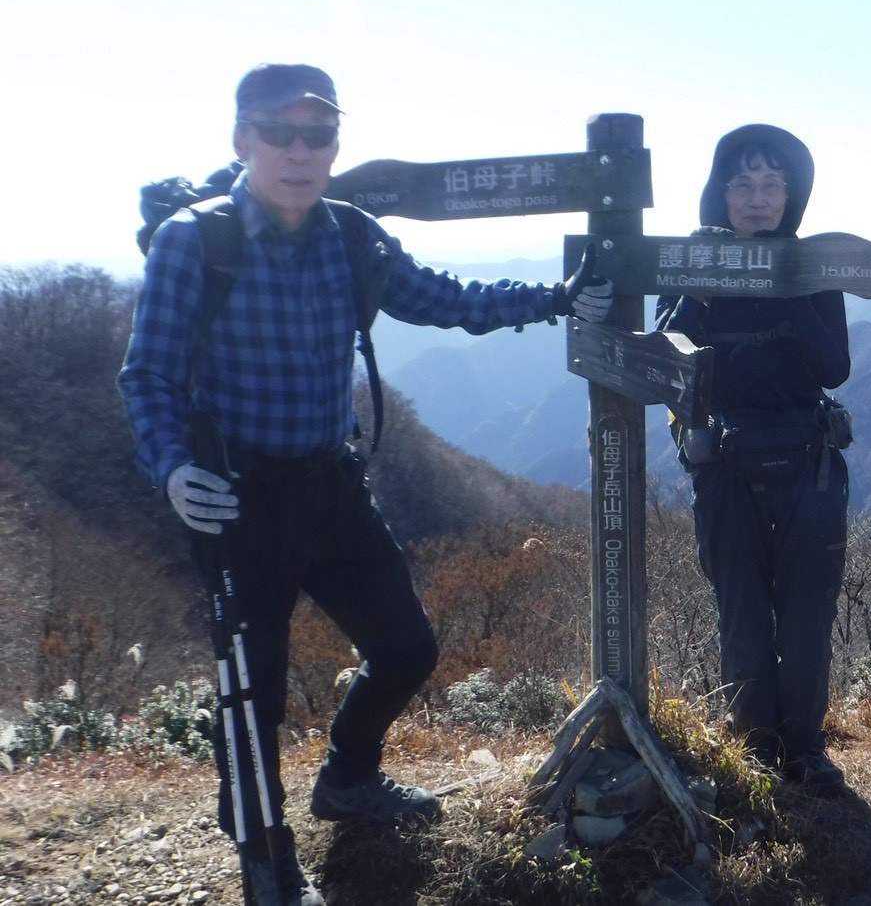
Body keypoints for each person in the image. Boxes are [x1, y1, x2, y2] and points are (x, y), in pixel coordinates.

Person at [118, 63, 612, 906]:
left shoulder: (351, 234)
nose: (300, 149)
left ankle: (347, 777)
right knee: (252, 689)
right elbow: (149, 377)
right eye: (280, 131)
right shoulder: (196, 242)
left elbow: (444, 298)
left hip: (332, 488)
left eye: (319, 133)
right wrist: (173, 468)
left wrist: (556, 297)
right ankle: (264, 857)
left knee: (407, 647)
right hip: (237, 495)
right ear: (243, 139)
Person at [654, 124, 851, 793]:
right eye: (743, 182)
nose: (758, 197)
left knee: (805, 610)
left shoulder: (815, 267)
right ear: (720, 191)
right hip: (724, 464)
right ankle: (757, 749)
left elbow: (834, 367)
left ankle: (805, 747)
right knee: (739, 607)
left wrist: (789, 281)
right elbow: (656, 364)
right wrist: (697, 296)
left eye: (773, 183)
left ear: (791, 195)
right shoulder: (689, 262)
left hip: (807, 459)